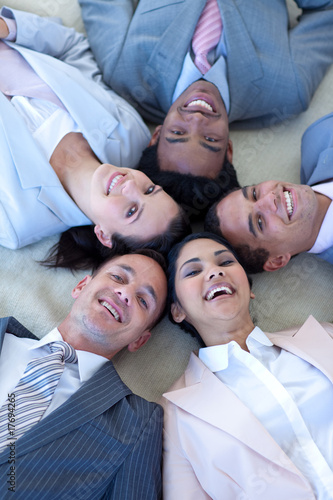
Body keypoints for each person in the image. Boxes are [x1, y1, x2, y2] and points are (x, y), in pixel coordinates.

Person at [78, 0, 333, 215]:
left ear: (156, 135)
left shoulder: (125, 73)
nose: (197, 120)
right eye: (210, 139)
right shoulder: (287, 90)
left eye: (177, 133)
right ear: (229, 149)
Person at [0, 7, 189, 260]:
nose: (130, 185)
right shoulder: (129, 133)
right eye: (150, 190)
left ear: (104, 235)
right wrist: (7, 27)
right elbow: (72, 48)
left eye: (131, 211)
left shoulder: (16, 222)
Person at [162, 232, 333, 499]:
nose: (215, 272)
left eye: (226, 262)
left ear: (249, 288)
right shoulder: (174, 414)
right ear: (177, 311)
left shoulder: (323, 335)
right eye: (193, 271)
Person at [0, 249, 167, 499]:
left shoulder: (137, 422)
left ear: (140, 340)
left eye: (143, 301)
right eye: (119, 278)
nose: (124, 293)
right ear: (80, 286)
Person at [204, 112, 333, 273]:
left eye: (255, 194)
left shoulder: (321, 135)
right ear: (277, 260)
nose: (270, 198)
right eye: (259, 223)